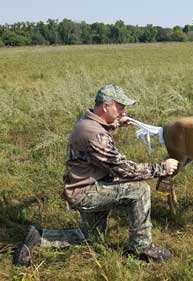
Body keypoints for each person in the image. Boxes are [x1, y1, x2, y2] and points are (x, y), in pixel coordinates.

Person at [14, 84, 178, 265]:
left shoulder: (86, 120)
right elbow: (124, 169)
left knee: (92, 238)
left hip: (82, 187)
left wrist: (115, 123)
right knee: (140, 190)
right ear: (106, 106)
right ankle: (142, 247)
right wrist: (162, 168)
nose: (124, 111)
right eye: (120, 106)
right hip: (87, 192)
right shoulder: (94, 135)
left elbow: (98, 130)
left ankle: (39, 237)